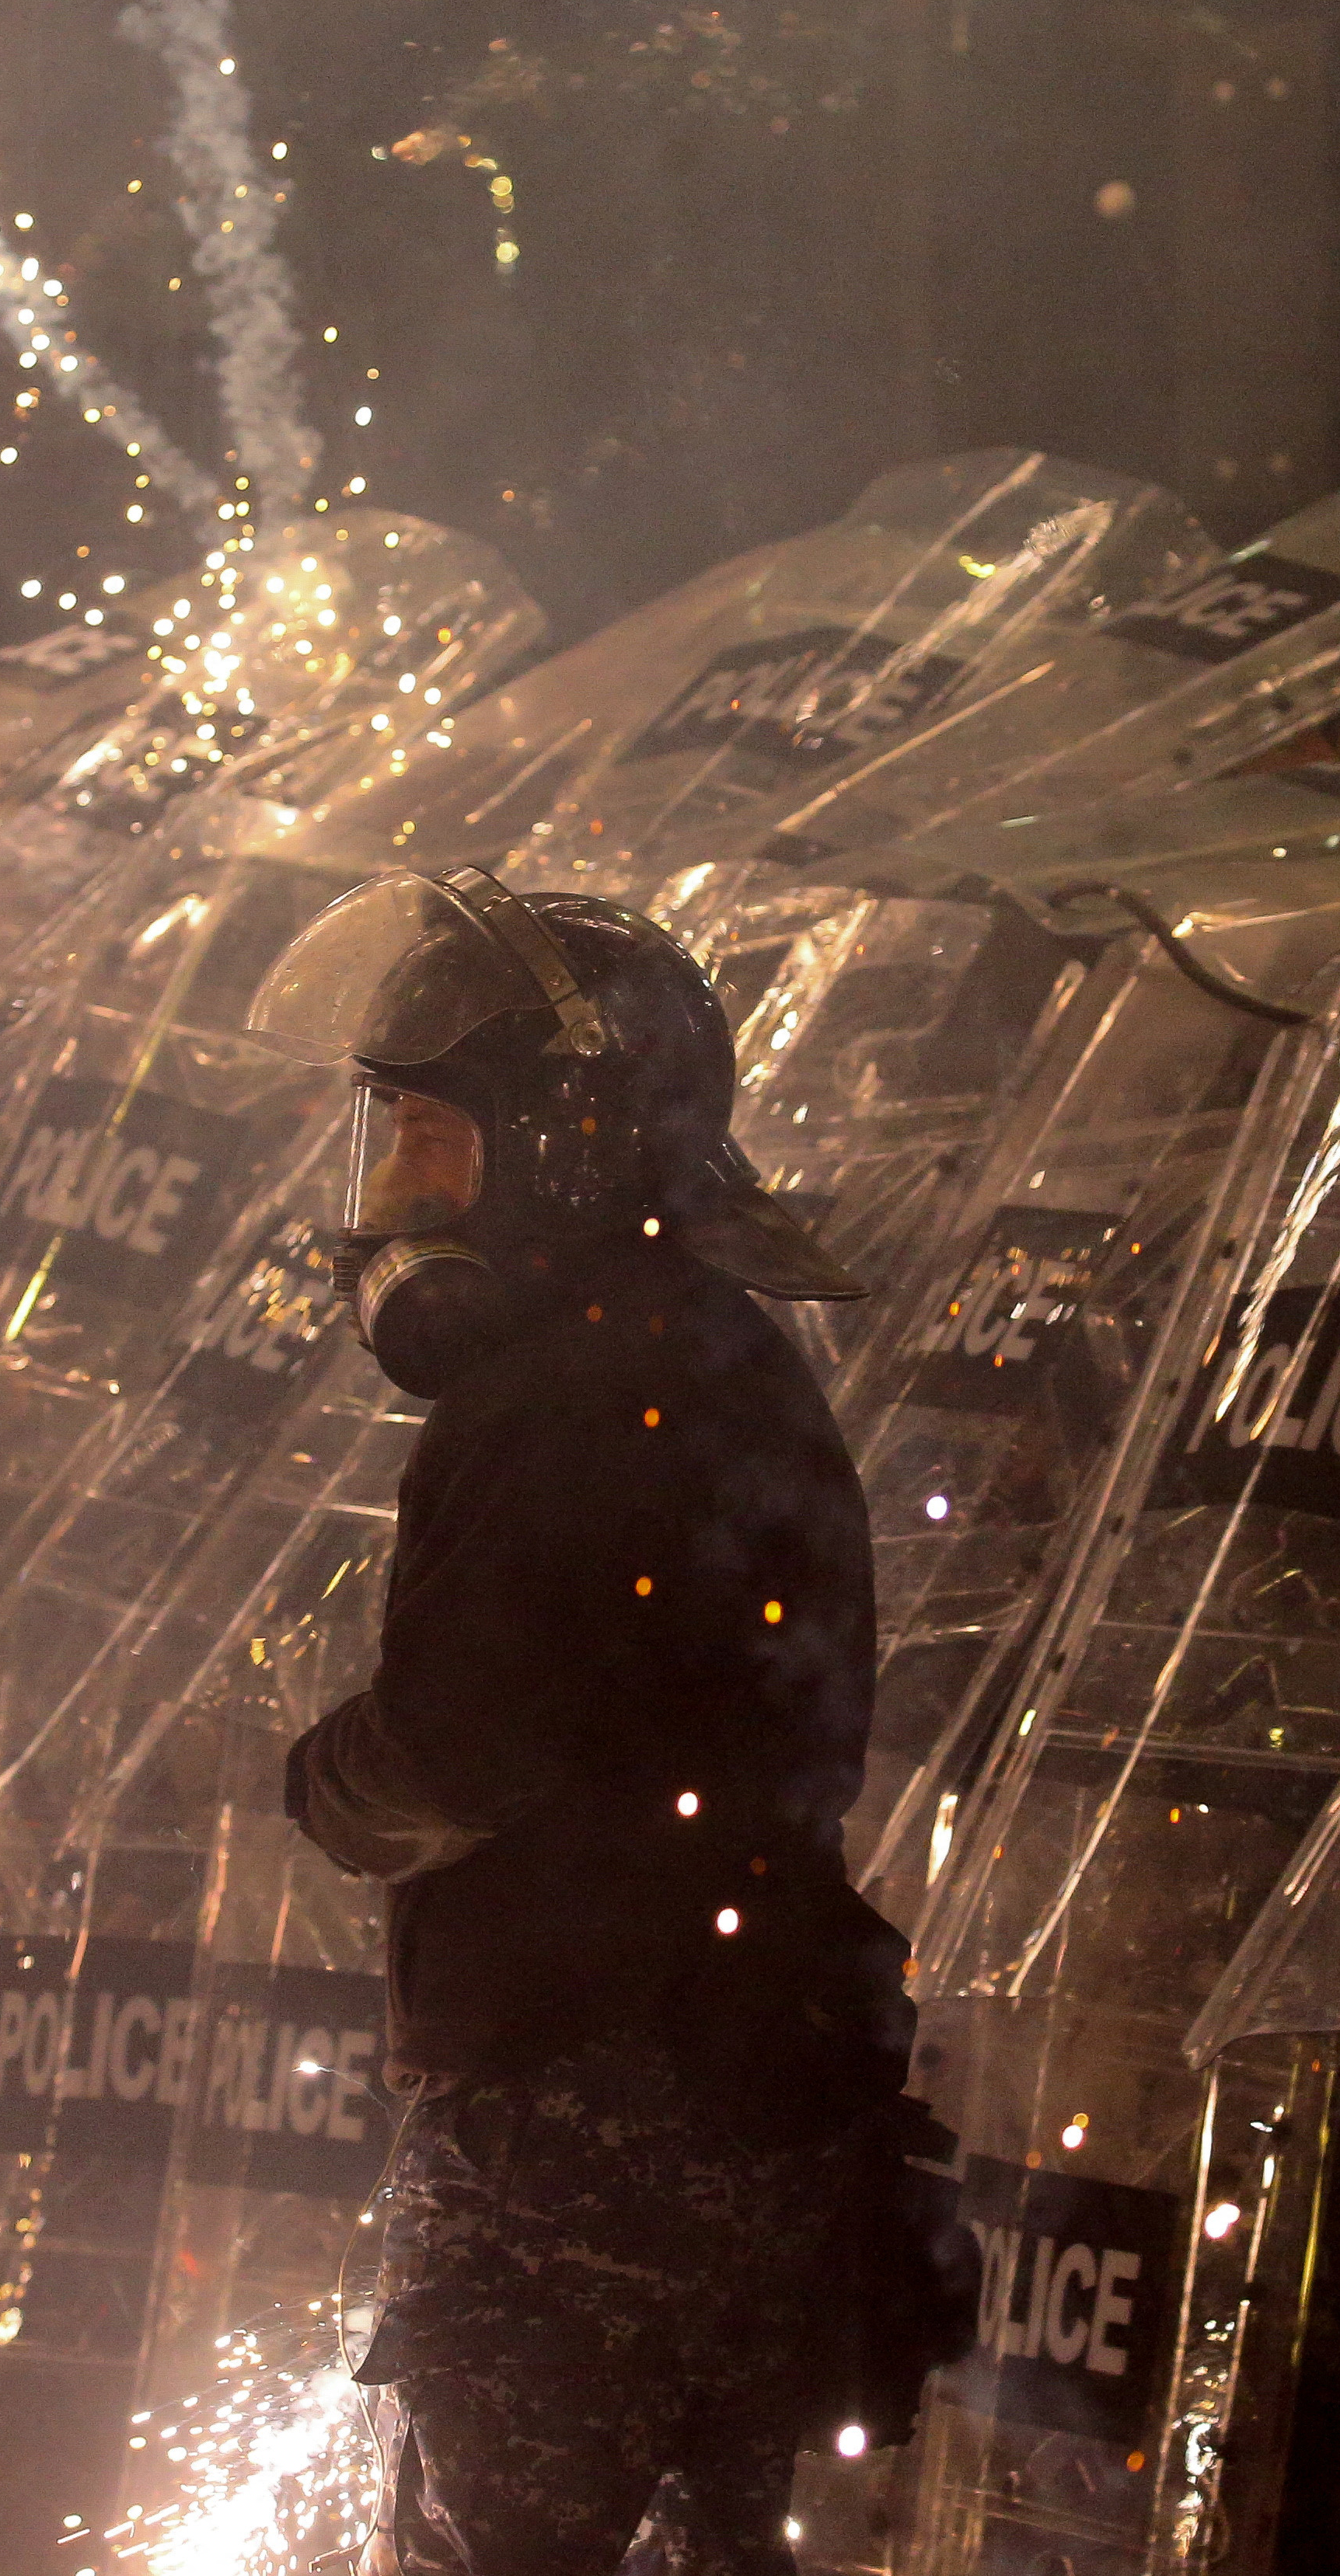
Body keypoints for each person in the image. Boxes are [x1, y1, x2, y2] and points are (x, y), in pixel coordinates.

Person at [247, 866, 928, 2576]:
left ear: (564, 1144)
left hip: (571, 2114)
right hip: (755, 2093)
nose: (392, 1198)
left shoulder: (553, 1394)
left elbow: (458, 1748)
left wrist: (309, 1777)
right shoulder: (723, 1358)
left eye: (429, 1139)